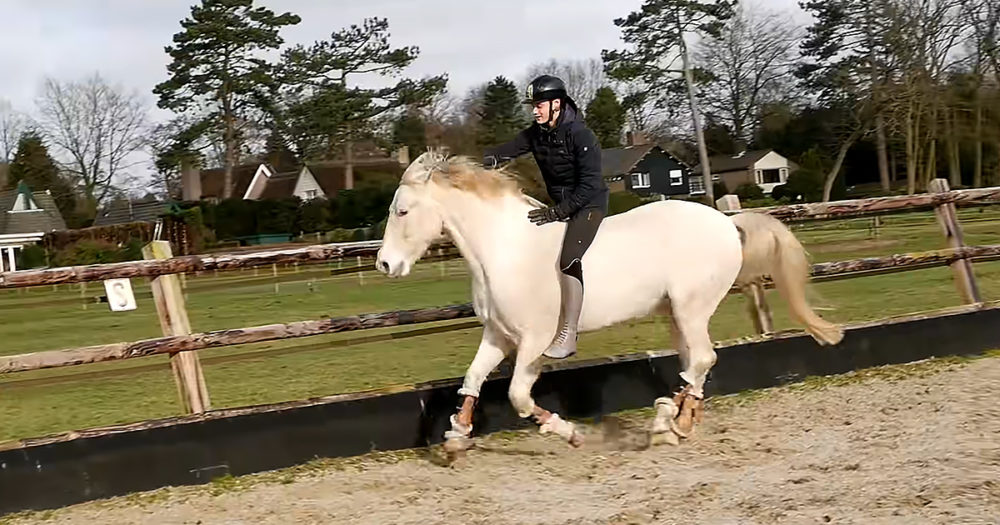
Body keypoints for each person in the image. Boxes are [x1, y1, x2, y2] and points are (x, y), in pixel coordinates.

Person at [482, 74, 609, 359]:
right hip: (559, 205)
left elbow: (589, 185)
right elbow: (505, 151)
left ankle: (569, 334)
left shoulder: (582, 136)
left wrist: (557, 213)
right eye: (533, 106)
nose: (534, 111)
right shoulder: (536, 134)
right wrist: (477, 163)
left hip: (589, 205)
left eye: (539, 105)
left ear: (557, 104)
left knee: (568, 259)